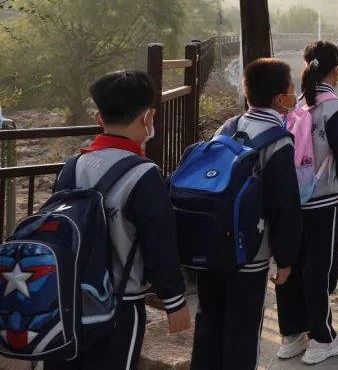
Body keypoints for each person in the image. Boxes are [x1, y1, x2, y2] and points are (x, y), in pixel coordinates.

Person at [46, 71, 190, 370]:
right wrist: (174, 300)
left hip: (67, 298)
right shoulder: (144, 174)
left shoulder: (72, 166)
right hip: (120, 304)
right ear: (147, 117)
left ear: (99, 118)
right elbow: (159, 243)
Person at [190, 59, 303, 370]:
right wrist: (286, 258)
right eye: (292, 88)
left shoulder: (228, 127)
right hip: (250, 253)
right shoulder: (278, 141)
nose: (295, 94)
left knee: (209, 319)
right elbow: (285, 206)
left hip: (213, 244)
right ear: (281, 99)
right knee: (242, 327)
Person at [275, 42, 338, 364]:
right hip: (320, 199)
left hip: (290, 200)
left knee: (289, 266)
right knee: (318, 269)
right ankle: (322, 338)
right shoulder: (335, 109)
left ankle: (291, 336)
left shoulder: (296, 106)